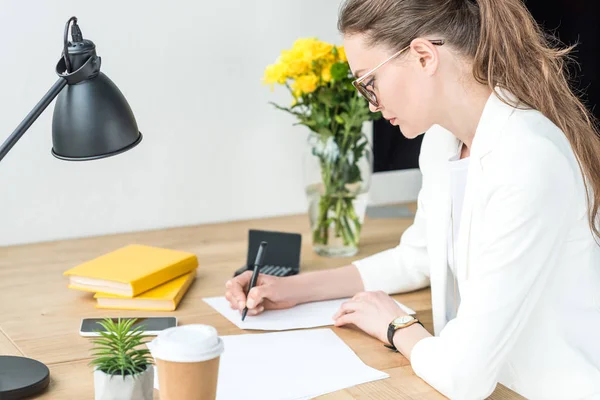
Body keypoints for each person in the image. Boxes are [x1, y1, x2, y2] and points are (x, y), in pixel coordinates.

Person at [225, 0, 600, 398]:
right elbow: (418, 257)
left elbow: (464, 377)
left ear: (423, 56)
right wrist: (293, 289)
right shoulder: (443, 141)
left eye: (368, 81)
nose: (370, 102)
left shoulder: (528, 158)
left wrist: (397, 325)